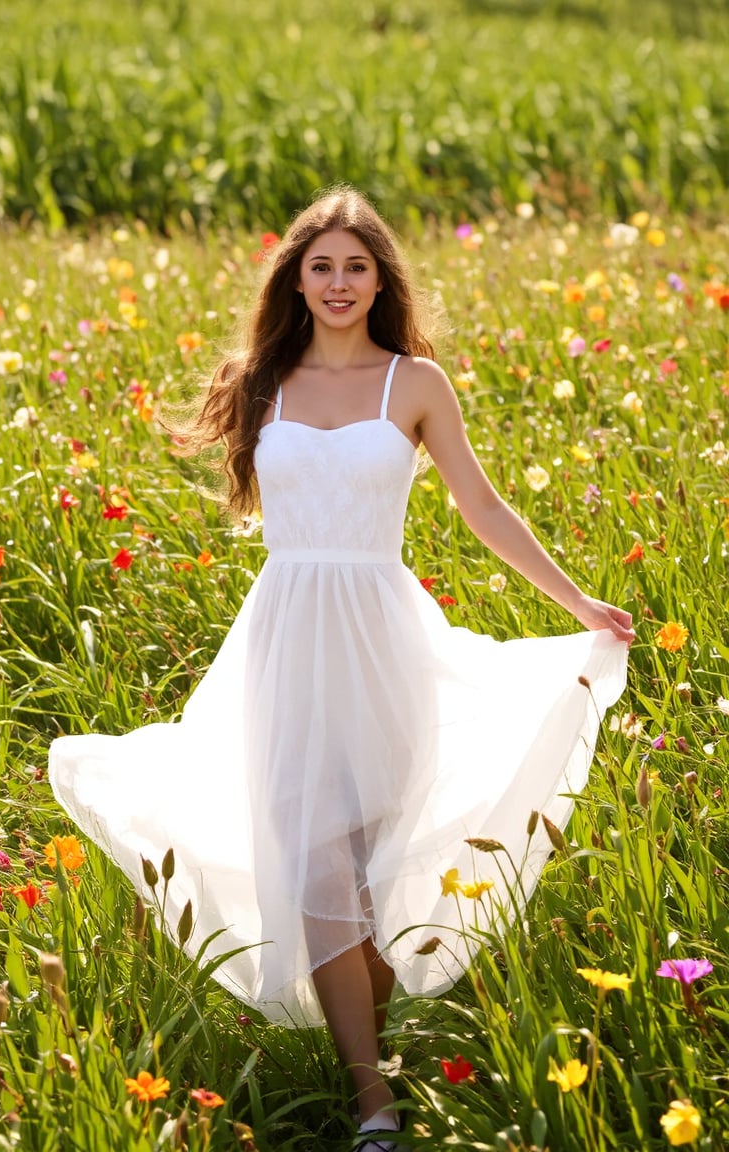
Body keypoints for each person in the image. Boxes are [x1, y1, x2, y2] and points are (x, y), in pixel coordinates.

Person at [49, 185, 633, 1152]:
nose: (337, 282)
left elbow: (482, 509)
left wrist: (577, 605)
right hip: (284, 639)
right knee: (316, 859)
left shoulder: (416, 385)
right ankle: (375, 1106)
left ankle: (379, 1042)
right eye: (320, 265)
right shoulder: (261, 381)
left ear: (380, 279)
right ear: (296, 276)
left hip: (387, 642)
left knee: (368, 872)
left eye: (356, 266)